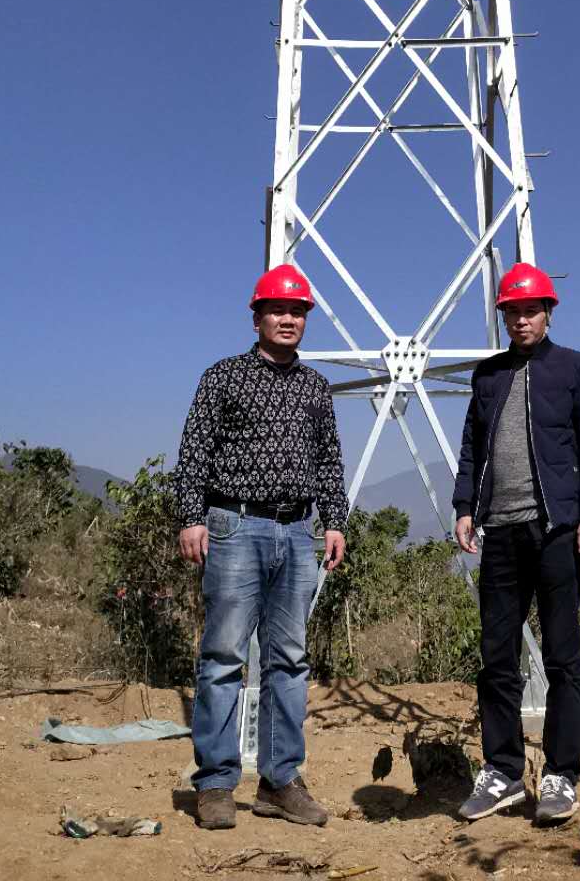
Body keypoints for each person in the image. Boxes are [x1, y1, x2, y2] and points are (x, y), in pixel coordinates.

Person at [175, 264, 348, 831]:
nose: (288, 319)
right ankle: (216, 783)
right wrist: (191, 517)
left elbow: (329, 459)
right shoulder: (223, 377)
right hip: (235, 525)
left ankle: (280, 782)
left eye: (297, 311)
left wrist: (335, 522)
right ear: (257, 318)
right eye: (277, 309)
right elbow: (195, 450)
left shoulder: (315, 386)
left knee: (289, 661)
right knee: (225, 656)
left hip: (298, 532)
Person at [452, 262, 580, 826]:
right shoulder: (488, 375)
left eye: (530, 310)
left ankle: (560, 776)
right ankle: (502, 772)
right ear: (504, 316)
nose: (522, 320)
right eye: (513, 312)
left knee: (561, 657)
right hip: (499, 531)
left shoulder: (575, 368)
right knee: (497, 656)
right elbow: (472, 446)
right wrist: (465, 506)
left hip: (556, 531)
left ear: (548, 313)